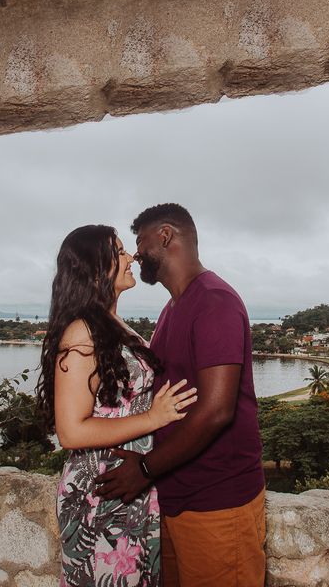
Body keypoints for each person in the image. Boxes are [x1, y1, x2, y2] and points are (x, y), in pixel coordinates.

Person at [95, 204, 266, 587]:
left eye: (139, 243)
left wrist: (143, 468)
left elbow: (216, 411)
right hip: (175, 498)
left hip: (219, 503)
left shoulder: (214, 302)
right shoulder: (172, 308)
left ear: (166, 236)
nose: (135, 255)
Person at [36, 224, 198, 587]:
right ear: (95, 267)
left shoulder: (112, 325)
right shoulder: (81, 332)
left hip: (129, 487)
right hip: (101, 492)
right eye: (120, 251)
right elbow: (71, 430)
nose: (132, 257)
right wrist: (154, 417)